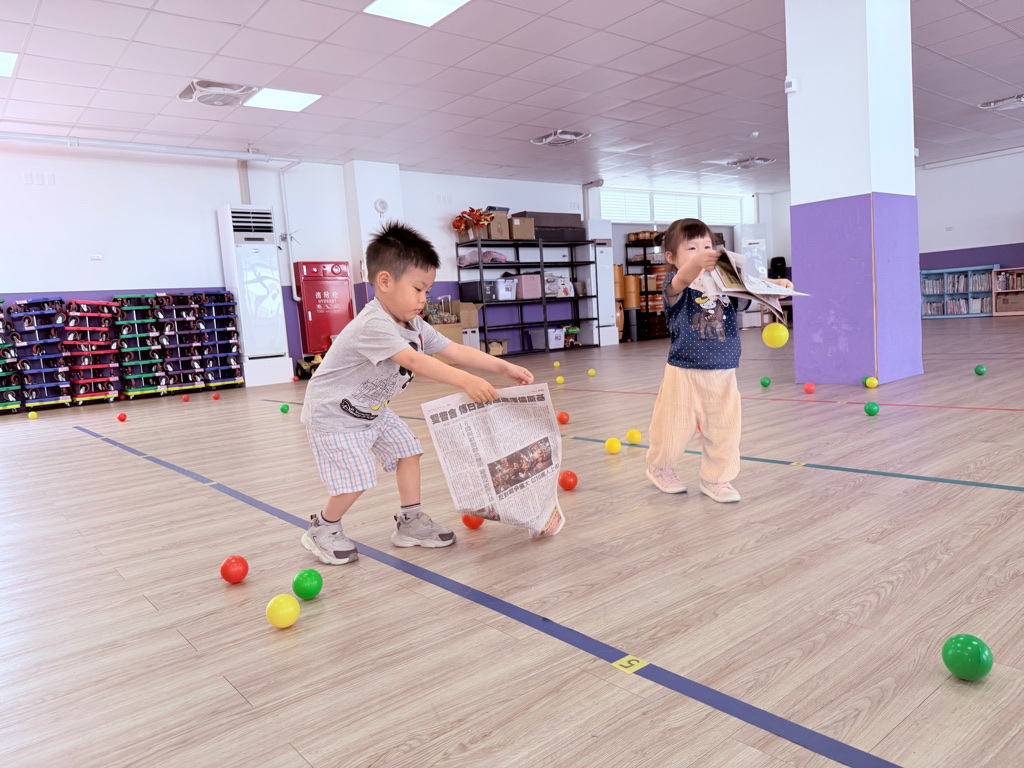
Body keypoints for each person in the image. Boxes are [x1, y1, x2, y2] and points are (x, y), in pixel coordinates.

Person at [300, 222, 533, 564]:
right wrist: (466, 382)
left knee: (409, 451)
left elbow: (454, 350)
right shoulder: (373, 324)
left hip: (372, 411)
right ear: (385, 281)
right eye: (418, 289)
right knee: (355, 480)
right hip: (334, 415)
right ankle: (323, 527)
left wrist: (502, 367)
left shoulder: (414, 324)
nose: (424, 298)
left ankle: (410, 522)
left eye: (428, 290)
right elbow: (413, 360)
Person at [645, 218, 794, 503]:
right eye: (692, 248)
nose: (702, 253)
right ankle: (660, 467)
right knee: (672, 427)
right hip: (683, 371)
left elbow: (751, 286)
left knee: (725, 429)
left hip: (723, 371)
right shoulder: (676, 285)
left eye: (707, 247)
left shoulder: (726, 285)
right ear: (672, 258)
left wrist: (775, 284)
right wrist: (698, 263)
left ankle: (716, 478)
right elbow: (684, 278)